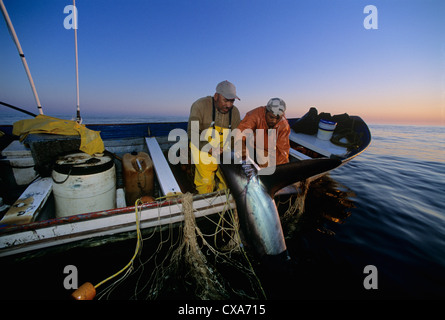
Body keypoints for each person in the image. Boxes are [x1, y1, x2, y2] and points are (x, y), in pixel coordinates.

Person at [187, 80, 241, 194]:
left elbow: (235, 137)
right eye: (226, 100)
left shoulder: (235, 112)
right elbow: (193, 132)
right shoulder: (199, 105)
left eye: (232, 101)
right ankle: (207, 208)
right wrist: (210, 148)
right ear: (216, 96)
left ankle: (223, 208)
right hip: (202, 147)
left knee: (228, 181)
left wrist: (237, 151)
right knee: (206, 182)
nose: (229, 105)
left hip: (223, 150)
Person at [236, 98, 290, 168]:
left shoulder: (284, 125)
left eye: (277, 118)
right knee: (263, 157)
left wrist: (279, 170)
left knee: (285, 163)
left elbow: (283, 151)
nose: (274, 121)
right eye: (271, 117)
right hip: (253, 147)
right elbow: (239, 133)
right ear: (266, 111)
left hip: (271, 151)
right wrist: (241, 147)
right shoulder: (254, 115)